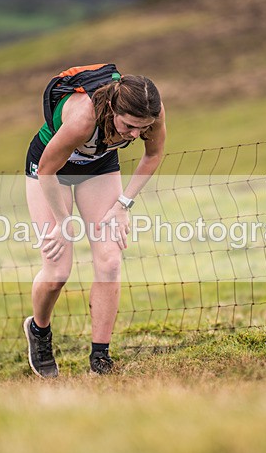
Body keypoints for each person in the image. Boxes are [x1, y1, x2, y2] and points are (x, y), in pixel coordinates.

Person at [23, 67, 167, 378]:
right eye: (128, 126)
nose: (134, 135)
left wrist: (123, 205)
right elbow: (47, 170)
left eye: (142, 128)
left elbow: (153, 155)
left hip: (99, 166)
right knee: (58, 270)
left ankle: (100, 358)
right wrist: (63, 221)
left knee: (110, 260)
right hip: (50, 169)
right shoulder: (83, 119)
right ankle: (39, 330)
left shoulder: (149, 112)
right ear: (113, 108)